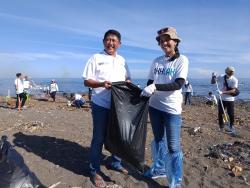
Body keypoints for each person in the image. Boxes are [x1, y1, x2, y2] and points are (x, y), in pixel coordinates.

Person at [82, 29, 131, 188]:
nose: (111, 43)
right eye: (108, 40)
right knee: (99, 138)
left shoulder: (122, 60)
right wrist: (102, 84)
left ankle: (115, 162)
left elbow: (127, 78)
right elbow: (87, 82)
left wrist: (128, 82)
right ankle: (94, 170)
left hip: (119, 106)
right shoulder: (96, 58)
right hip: (100, 104)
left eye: (114, 40)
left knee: (119, 135)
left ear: (119, 44)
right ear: (103, 41)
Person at [141, 27, 188, 188]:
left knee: (173, 146)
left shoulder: (182, 60)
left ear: (175, 41)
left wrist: (154, 87)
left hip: (171, 109)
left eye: (167, 39)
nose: (164, 43)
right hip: (154, 106)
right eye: (161, 41)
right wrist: (148, 89)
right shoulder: (156, 61)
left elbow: (178, 84)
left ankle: (175, 181)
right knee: (158, 139)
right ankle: (159, 168)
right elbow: (149, 81)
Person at [211, 66, 238, 135]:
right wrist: (213, 77)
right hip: (222, 99)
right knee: (221, 113)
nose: (231, 74)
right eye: (230, 72)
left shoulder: (234, 80)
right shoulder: (221, 77)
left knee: (231, 114)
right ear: (226, 72)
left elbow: (233, 90)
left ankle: (231, 126)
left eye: (232, 72)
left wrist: (222, 92)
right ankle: (221, 126)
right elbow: (213, 82)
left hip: (230, 99)